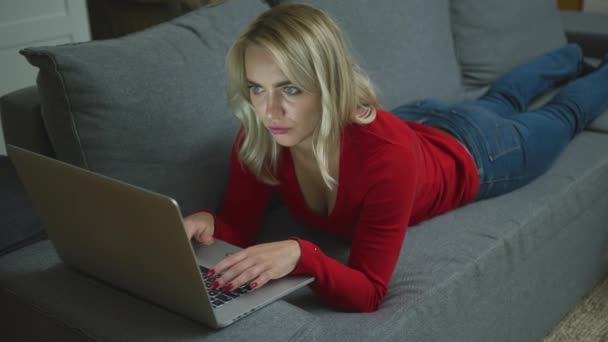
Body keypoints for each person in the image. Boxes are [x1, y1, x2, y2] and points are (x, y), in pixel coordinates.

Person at [183, 3, 608, 312]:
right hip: (417, 119)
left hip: (478, 151)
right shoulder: (262, 136)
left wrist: (302, 254)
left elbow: (370, 290)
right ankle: (570, 57)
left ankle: (578, 57)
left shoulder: (386, 160)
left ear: (329, 85)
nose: (268, 109)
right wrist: (208, 224)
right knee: (500, 97)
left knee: (562, 114)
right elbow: (238, 227)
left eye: (290, 88)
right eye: (257, 87)